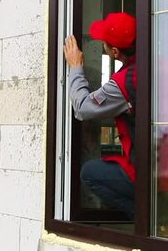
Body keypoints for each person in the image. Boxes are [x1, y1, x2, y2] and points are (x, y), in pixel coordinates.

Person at [63, 12, 137, 220]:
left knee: (91, 173)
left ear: (114, 51)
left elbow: (83, 109)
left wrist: (76, 68)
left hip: (150, 173)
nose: (101, 45)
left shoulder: (125, 82)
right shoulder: (153, 66)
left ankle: (147, 222)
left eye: (104, 43)